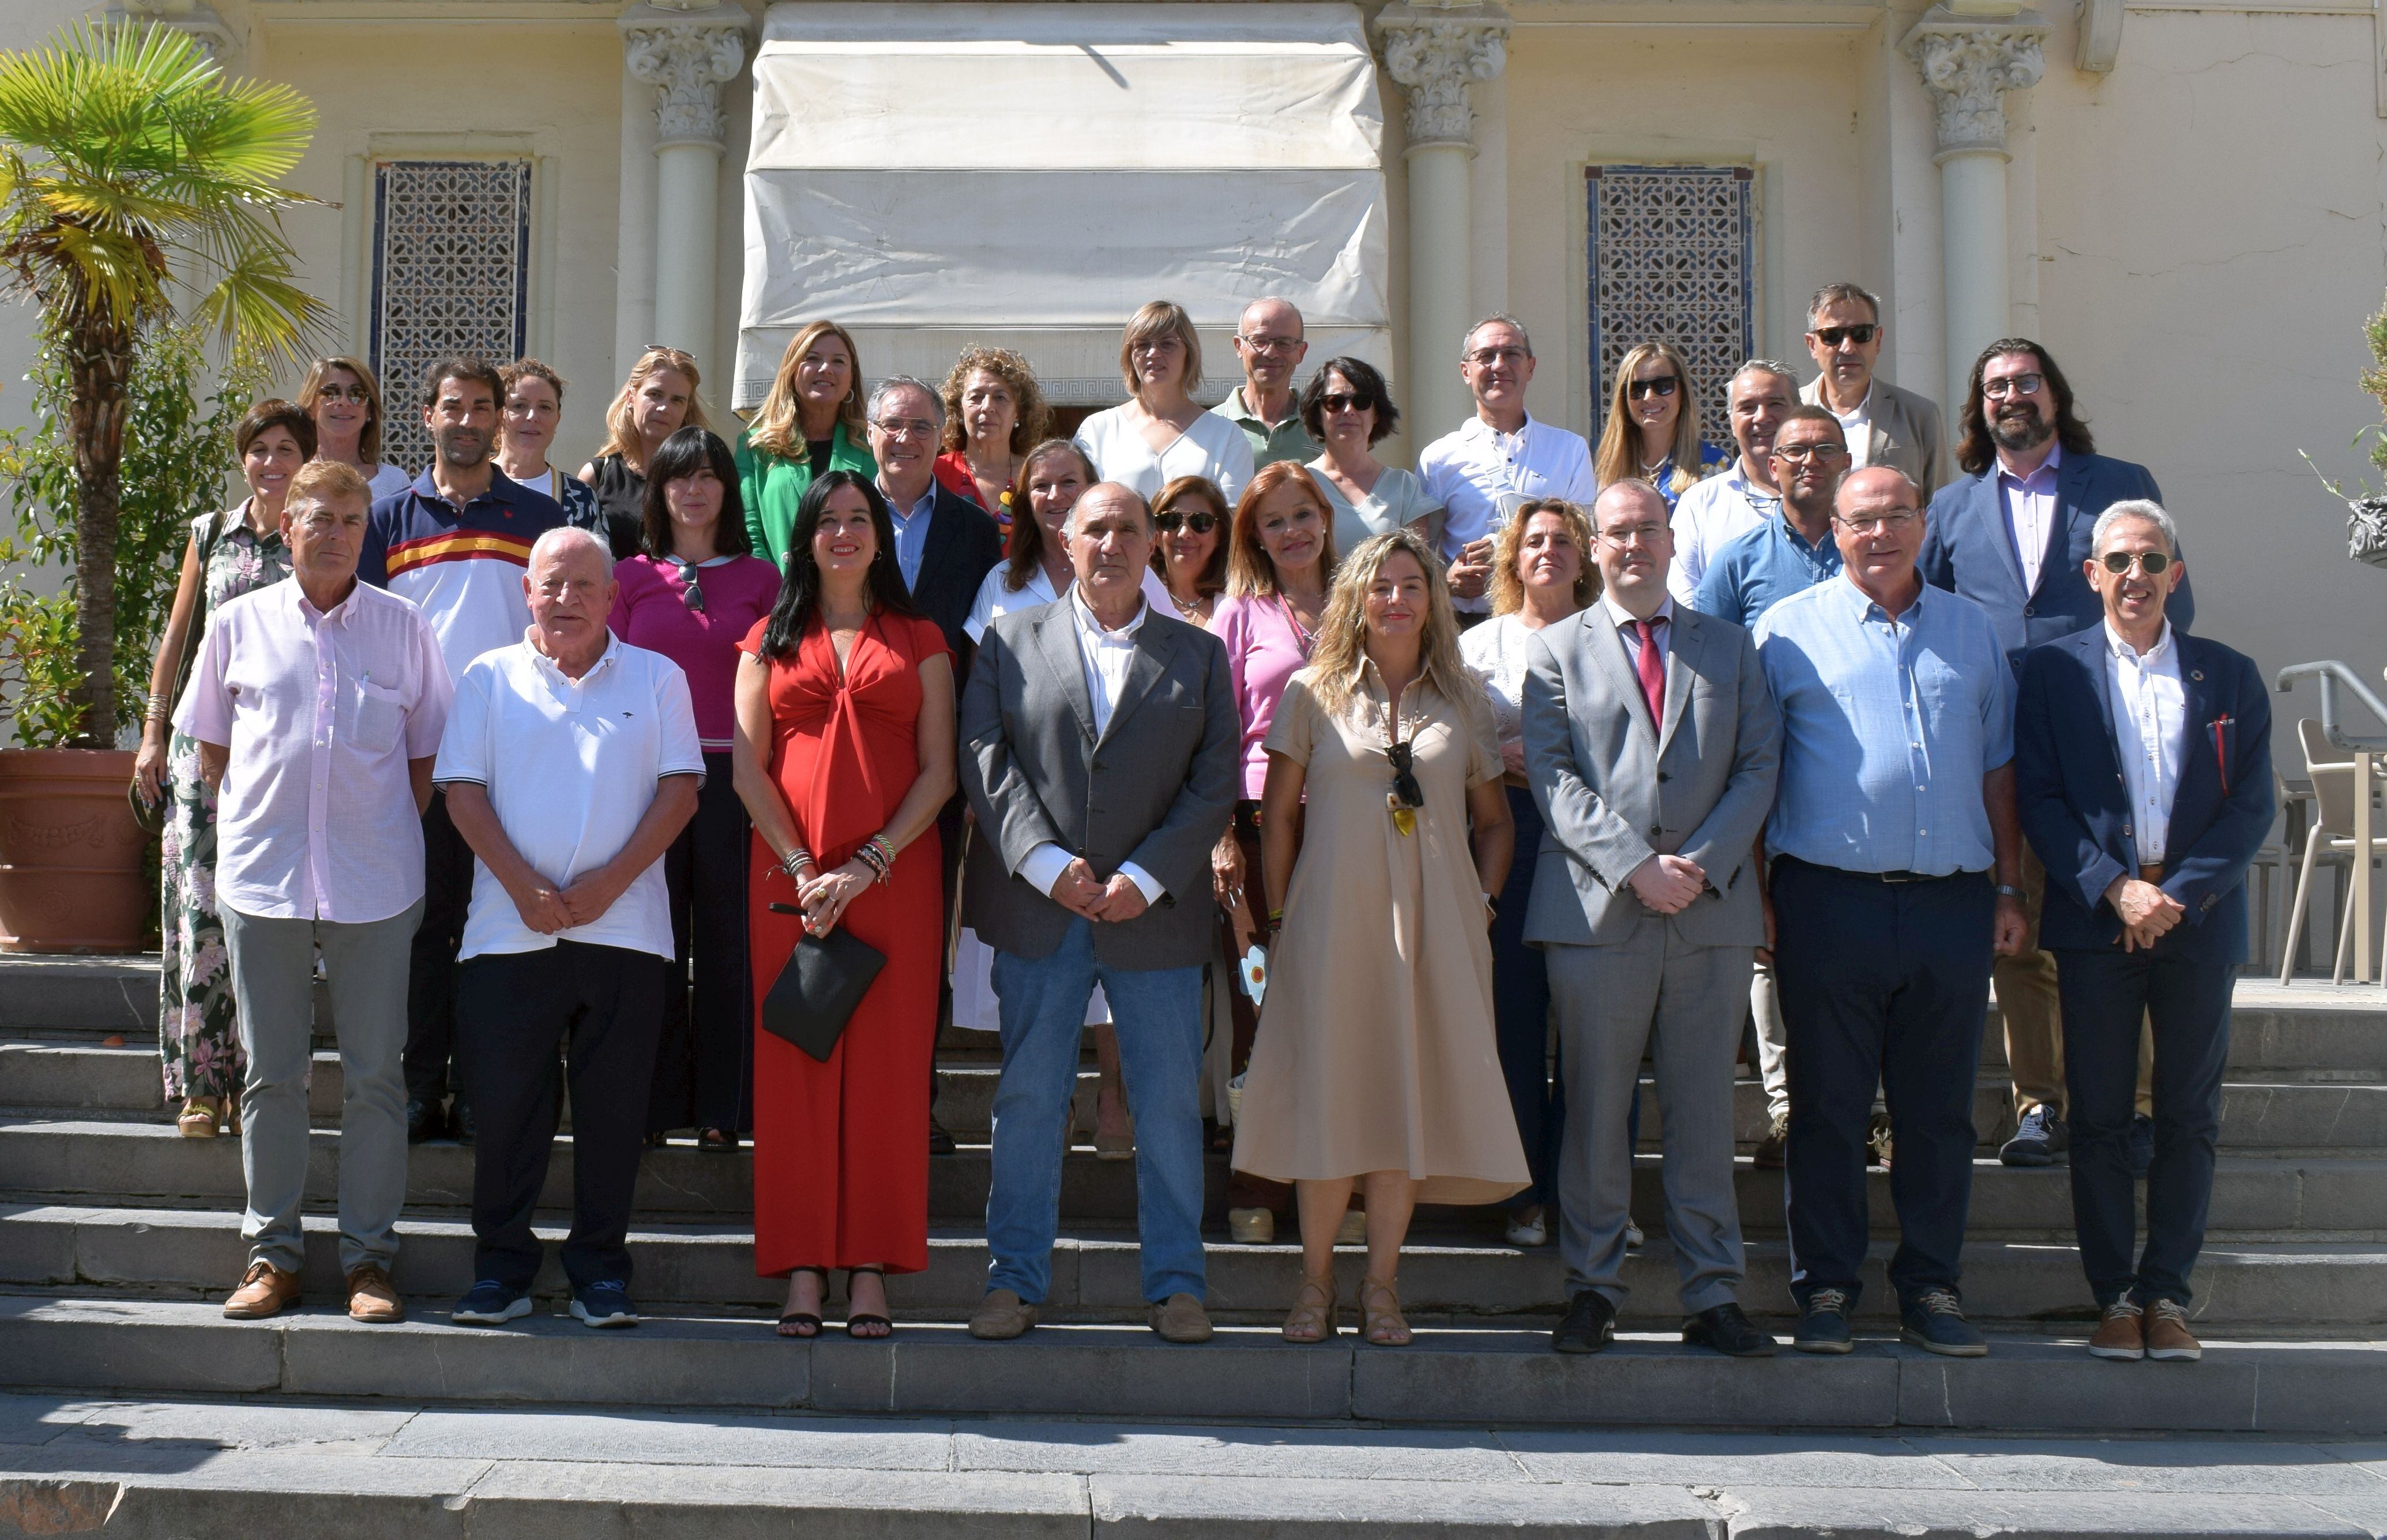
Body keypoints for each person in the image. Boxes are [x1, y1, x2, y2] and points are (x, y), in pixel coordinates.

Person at [1753, 465, 2028, 1358]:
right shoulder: (1783, 633)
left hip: (1950, 902)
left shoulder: (1970, 630)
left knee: (1937, 1110)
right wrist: (1758, 897)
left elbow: (1997, 770)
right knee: (1828, 1106)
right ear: (1831, 530)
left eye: (1897, 515)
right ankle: (1826, 1285)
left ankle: (1930, 1285)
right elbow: (1757, 776)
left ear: (1921, 524)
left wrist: (2008, 887)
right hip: (1826, 899)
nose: (1881, 533)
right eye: (1861, 519)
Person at [960, 482, 1241, 1346]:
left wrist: (1147, 877)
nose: (1112, 543)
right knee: (1030, 1099)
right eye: (1095, 530)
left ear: (1152, 543)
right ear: (1065, 541)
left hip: (1152, 915)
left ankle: (1175, 1285)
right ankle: (1013, 1280)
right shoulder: (1008, 640)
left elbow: (1214, 779)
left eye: (1128, 528)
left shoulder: (1194, 654)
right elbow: (983, 755)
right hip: (1042, 909)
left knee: (1162, 1103)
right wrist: (1047, 867)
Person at [174, 460, 451, 1325]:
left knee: (376, 1077)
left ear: (366, 529)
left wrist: (368, 830)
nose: (334, 532)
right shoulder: (237, 621)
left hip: (376, 881)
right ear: (285, 526)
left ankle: (370, 1260)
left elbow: (426, 761)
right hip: (264, 878)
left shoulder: (404, 627)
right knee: (272, 1076)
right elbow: (212, 749)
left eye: (350, 518)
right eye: (318, 518)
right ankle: (274, 1255)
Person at [1235, 529, 1523, 1346]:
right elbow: (1276, 820)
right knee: (1332, 1099)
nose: (1396, 598)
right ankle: (1315, 1284)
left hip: (1435, 928)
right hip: (1329, 922)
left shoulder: (1464, 696)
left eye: (1410, 584)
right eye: (1380, 585)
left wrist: (1484, 905)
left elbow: (1494, 824)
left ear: (1432, 597)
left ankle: (1382, 1289)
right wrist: (1283, 917)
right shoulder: (1310, 690)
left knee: (1400, 1104)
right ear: (1355, 600)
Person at [1524, 481, 1780, 1359]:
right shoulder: (1555, 649)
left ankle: (1712, 1294)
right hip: (1598, 914)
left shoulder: (1731, 648)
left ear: (1673, 542)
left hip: (1706, 915)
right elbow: (1553, 779)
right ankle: (1591, 1286)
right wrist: (1634, 866)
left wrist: (1696, 867)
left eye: (1648, 530)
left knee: (1703, 1110)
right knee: (1595, 1110)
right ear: (1595, 548)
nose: (1633, 544)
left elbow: (1756, 767)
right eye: (1617, 533)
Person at [2013, 500, 2272, 1364]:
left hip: (2194, 925)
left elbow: (2249, 810)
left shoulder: (2227, 677)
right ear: (2091, 574)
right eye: (2117, 560)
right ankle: (2113, 1296)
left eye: (2150, 561)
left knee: (2188, 1115)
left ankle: (2166, 1292)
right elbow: (2039, 802)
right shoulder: (2047, 673)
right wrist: (2114, 889)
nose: (2135, 576)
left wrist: (2176, 896)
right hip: (2096, 925)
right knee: (2093, 1113)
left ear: (2175, 574)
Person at [1922, 338, 2186, 1170]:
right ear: (1979, 404)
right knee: (2021, 928)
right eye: (1995, 385)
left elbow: (2168, 603)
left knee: (2121, 920)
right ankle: (2038, 1103)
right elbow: (1928, 614)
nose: (2011, 395)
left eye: (2025, 381)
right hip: (1999, 745)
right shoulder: (1951, 507)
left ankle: (2136, 1107)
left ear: (2052, 393)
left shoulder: (2117, 484)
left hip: (2104, 739)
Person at [436, 526, 702, 1331]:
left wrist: (608, 882)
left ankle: (599, 1271)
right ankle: (502, 1269)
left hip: (625, 932)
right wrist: (526, 887)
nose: (566, 599)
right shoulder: (487, 677)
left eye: (584, 585)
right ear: (527, 592)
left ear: (613, 595)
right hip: (508, 930)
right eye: (551, 584)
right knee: (507, 1107)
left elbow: (681, 792)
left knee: (615, 1112)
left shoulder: (657, 677)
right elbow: (462, 794)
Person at [732, 470, 955, 1339]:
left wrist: (866, 863)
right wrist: (798, 864)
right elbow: (748, 765)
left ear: (879, 535)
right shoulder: (766, 636)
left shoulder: (921, 635)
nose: (844, 533)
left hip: (893, 879)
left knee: (889, 1076)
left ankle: (870, 1266)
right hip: (787, 887)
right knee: (797, 1068)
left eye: (859, 518)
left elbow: (939, 772)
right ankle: (800, 1266)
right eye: (827, 520)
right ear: (805, 537)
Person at [360, 356, 567, 1146]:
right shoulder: (389, 518)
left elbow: (560, 632)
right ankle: (419, 1089)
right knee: (422, 929)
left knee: (500, 934)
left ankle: (486, 1091)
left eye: (484, 406)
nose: (469, 420)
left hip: (511, 761)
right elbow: (367, 637)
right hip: (414, 764)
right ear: (427, 416)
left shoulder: (535, 519)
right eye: (454, 406)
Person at [134, 398, 313, 1139]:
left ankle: (261, 1082)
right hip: (201, 747)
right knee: (200, 911)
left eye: (284, 450)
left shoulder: (319, 536)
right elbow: (178, 641)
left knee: (268, 917)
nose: (270, 463)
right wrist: (150, 734)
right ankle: (202, 1086)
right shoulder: (212, 534)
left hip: (281, 754)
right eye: (258, 449)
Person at [608, 427, 780, 1150]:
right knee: (650, 943)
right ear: (659, 491)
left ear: (727, 490)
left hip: (733, 778)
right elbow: (608, 674)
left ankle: (723, 1108)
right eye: (680, 477)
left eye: (709, 476)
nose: (695, 489)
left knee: (725, 945)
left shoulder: (763, 580)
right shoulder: (630, 576)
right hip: (647, 777)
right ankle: (648, 1104)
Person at [1691, 404, 1851, 1171]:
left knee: (1849, 954)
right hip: (1767, 775)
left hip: (1853, 780)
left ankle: (1861, 1105)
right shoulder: (1737, 559)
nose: (1809, 461)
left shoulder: (1874, 550)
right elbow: (1704, 665)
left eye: (1824, 448)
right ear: (1771, 465)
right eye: (1795, 451)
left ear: (1845, 458)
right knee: (1768, 946)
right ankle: (1786, 1109)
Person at [1208, 460, 1340, 1244]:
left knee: (1345, 1007)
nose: (1291, 531)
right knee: (1260, 1004)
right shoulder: (1238, 615)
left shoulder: (1363, 605)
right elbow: (1216, 734)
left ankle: (1339, 1177)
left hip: (1348, 830)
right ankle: (1257, 1179)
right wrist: (1222, 834)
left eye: (1302, 514)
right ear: (1254, 536)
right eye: (1273, 521)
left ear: (1324, 518)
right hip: (1257, 838)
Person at [1460, 498, 1597, 1249]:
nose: (1546, 551)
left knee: (1592, 1027)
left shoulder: (1609, 636)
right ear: (1512, 558)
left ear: (1583, 558)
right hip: (1505, 832)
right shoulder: (1478, 644)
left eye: (1562, 541)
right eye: (1532, 540)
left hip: (1592, 842)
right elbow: (1448, 738)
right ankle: (1521, 1194)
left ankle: (1590, 1194)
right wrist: (1496, 756)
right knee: (1514, 1018)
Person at [1419, 314, 1597, 622]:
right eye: (1485, 356)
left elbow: (1582, 539)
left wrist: (1501, 549)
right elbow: (1423, 552)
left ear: (1531, 367)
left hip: (1552, 622)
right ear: (1466, 371)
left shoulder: (1569, 450)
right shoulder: (1438, 458)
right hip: (1465, 624)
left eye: (1512, 354)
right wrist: (1449, 582)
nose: (1499, 366)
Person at [869, 376, 1006, 661]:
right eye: (892, 425)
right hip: (860, 695)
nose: (905, 439)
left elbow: (986, 632)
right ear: (870, 432)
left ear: (939, 438)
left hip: (950, 695)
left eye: (921, 427)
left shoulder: (978, 529)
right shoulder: (840, 522)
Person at [1075, 300, 1255, 508]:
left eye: (1167, 344)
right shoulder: (1097, 429)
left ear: (1189, 352)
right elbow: (1080, 515)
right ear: (1129, 356)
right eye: (1142, 345)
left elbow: (1231, 521)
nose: (1153, 353)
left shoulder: (1226, 436)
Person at [738, 321, 876, 567]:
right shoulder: (755, 445)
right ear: (792, 370)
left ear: (851, 378)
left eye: (838, 361)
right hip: (777, 595)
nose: (826, 369)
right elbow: (749, 528)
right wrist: (775, 592)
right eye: (812, 359)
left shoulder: (871, 446)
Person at [1667, 359, 1797, 607]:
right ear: (1732, 422)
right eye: (1747, 407)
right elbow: (1683, 598)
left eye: (1775, 404)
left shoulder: (1827, 497)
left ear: (1798, 413)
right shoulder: (1700, 503)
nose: (1762, 417)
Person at [1798, 284, 1949, 498]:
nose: (1848, 348)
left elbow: (1937, 506)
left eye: (1861, 334)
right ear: (1812, 345)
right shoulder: (1791, 411)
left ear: (1878, 340)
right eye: (1832, 336)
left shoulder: (1918, 415)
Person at [577, 345, 711, 562]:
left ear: (687, 408)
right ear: (631, 397)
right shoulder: (597, 476)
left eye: (677, 400)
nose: (664, 408)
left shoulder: (704, 477)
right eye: (655, 395)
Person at [1302, 356, 1440, 555]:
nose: (1349, 410)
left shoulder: (1404, 487)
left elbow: (1419, 568)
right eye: (1335, 402)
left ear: (1376, 414)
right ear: (1317, 414)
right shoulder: (1300, 485)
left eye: (1362, 402)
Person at [1591, 341, 1728, 510]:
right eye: (1636, 389)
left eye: (1662, 386)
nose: (1649, 397)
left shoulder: (1715, 464)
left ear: (1682, 392)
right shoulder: (1611, 468)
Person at [934, 346, 1050, 528]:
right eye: (976, 397)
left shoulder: (1038, 477)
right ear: (958, 410)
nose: (987, 407)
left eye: (1000, 398)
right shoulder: (933, 474)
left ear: (1018, 412)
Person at [495, 358, 602, 537]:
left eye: (545, 407)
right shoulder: (471, 488)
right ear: (499, 415)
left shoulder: (580, 498)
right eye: (519, 406)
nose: (532, 417)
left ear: (557, 419)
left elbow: (601, 563)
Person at [1212, 297, 1318, 469]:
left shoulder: (1324, 427)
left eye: (1284, 343)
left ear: (1301, 352)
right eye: (1259, 341)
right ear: (1239, 347)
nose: (1270, 353)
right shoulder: (1210, 426)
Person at [297, 356, 411, 498]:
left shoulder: (394, 482)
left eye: (357, 394)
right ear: (310, 407)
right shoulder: (292, 475)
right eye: (331, 393)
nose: (344, 402)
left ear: (369, 410)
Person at [1149, 475, 1232, 628]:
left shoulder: (1243, 601)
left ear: (1219, 533)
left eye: (1200, 522)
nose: (1185, 533)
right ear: (1155, 532)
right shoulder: (1137, 599)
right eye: (1171, 520)